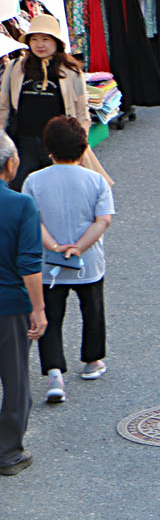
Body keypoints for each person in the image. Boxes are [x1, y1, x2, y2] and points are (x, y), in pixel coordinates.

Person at [26, 116, 112, 407]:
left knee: (50, 315)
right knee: (93, 309)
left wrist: (54, 246)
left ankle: (54, 374)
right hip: (88, 261)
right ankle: (92, 360)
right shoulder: (96, 180)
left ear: (49, 148)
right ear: (83, 147)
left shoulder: (34, 180)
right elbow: (103, 220)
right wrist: (79, 247)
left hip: (49, 263)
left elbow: (32, 221)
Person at [0, 15, 93, 192]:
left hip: (59, 143)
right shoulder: (15, 68)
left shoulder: (71, 71)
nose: (39, 45)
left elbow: (82, 112)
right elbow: (3, 107)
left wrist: (81, 145)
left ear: (56, 42)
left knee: (57, 192)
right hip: (23, 142)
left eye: (45, 39)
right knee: (20, 190)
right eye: (34, 39)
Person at [0, 134, 43, 476]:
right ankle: (9, 452)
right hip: (9, 305)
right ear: (11, 163)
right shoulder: (20, 205)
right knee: (15, 381)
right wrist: (38, 309)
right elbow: (29, 264)